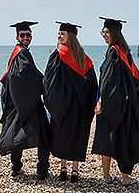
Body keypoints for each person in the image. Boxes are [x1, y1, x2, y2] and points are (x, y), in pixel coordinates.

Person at [92, 17, 139, 187]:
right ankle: (124, 177)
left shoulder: (113, 53)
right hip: (126, 105)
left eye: (106, 32)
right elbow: (134, 80)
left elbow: (109, 82)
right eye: (103, 31)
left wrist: (101, 101)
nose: (103, 34)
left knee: (107, 138)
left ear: (115, 34)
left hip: (111, 105)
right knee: (124, 138)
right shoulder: (124, 52)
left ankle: (108, 176)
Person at [43, 22, 98, 182]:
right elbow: (93, 85)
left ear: (70, 37)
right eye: (59, 33)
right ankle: (74, 169)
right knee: (78, 135)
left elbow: (50, 82)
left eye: (62, 33)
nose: (59, 36)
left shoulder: (58, 54)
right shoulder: (85, 58)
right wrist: (90, 103)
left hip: (64, 106)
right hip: (81, 107)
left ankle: (64, 167)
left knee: (63, 135)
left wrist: (53, 105)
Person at [0, 21, 50, 180]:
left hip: (18, 102)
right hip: (27, 103)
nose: (26, 37)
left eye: (28, 35)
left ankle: (16, 168)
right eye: (23, 35)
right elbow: (26, 76)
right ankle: (42, 170)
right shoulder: (22, 53)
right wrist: (46, 83)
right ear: (17, 37)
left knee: (16, 135)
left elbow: (20, 77)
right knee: (44, 136)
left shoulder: (18, 52)